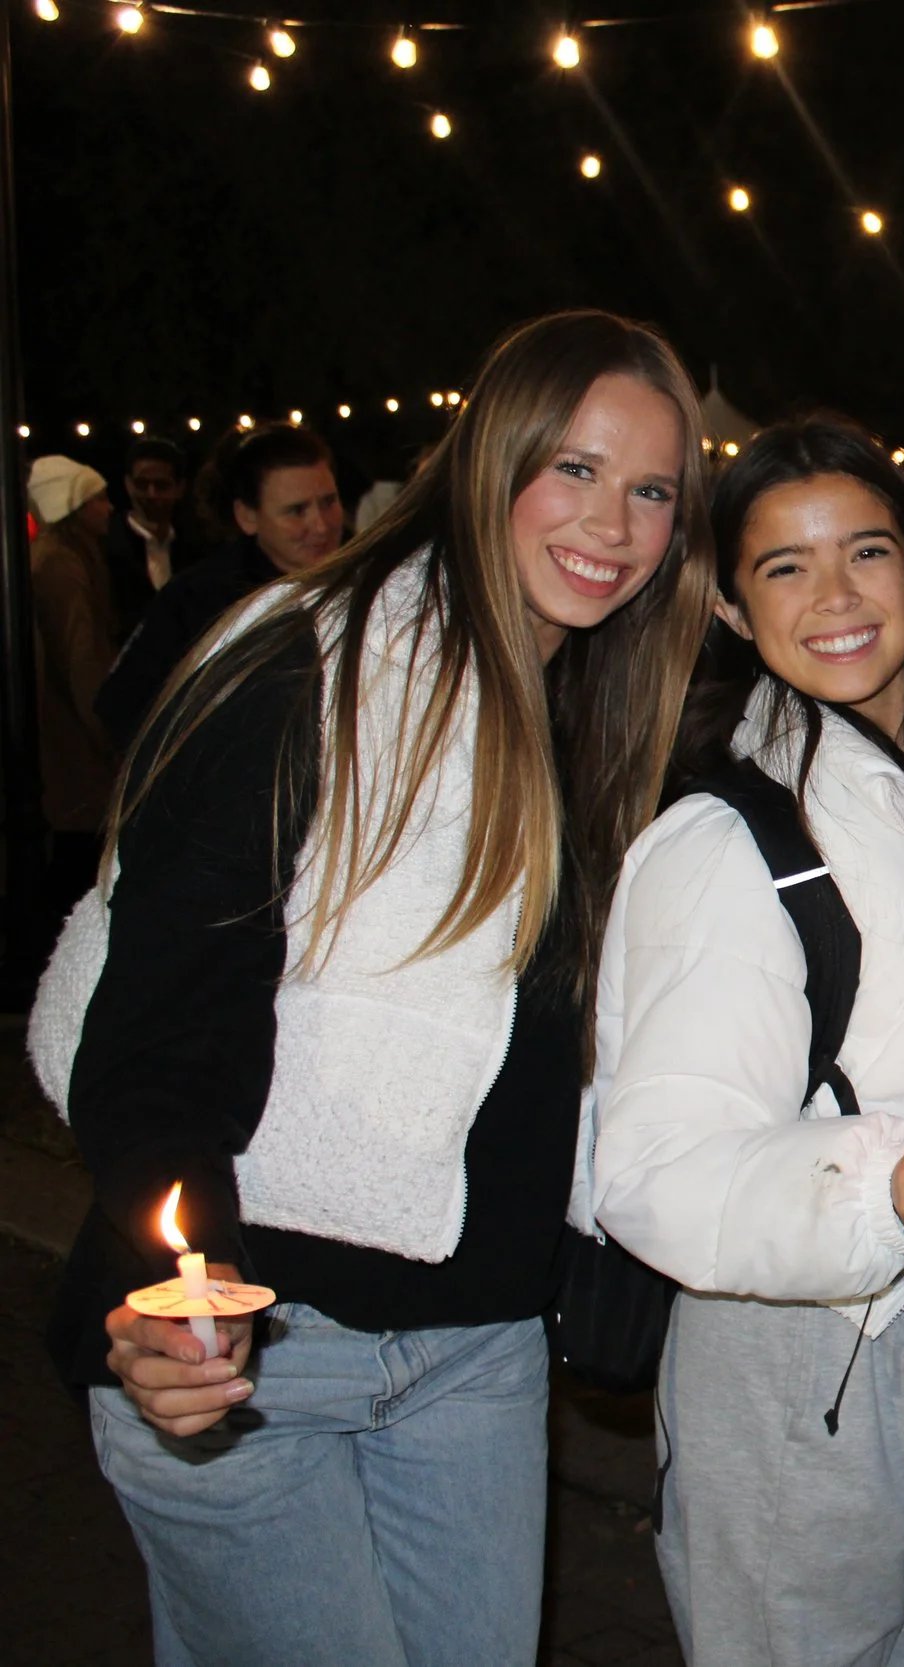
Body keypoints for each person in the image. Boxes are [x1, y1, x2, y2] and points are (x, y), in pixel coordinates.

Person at [29, 311, 713, 1666]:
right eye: (575, 469)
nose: (613, 524)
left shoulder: (598, 696)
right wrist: (179, 1290)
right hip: (265, 1344)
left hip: (477, 1350)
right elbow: (163, 1014)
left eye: (652, 490)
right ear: (491, 457)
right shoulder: (303, 667)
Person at [589, 415, 904, 1665]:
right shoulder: (720, 841)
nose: (837, 597)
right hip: (805, 1331)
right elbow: (654, 1163)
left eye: (866, 551)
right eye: (785, 566)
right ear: (732, 608)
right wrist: (875, 1191)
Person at [94, 423, 344, 748]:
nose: (321, 525)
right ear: (247, 516)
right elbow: (124, 707)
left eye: (328, 502)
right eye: (296, 511)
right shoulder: (198, 600)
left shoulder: (361, 580)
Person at [25, 455, 124, 921]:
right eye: (97, 499)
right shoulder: (61, 566)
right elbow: (81, 660)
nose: (108, 507)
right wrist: (109, 734)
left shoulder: (69, 558)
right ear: (74, 505)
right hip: (75, 747)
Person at [100, 436, 202, 640]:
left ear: (180, 488)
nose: (151, 494)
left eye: (161, 485)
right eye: (141, 484)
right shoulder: (106, 545)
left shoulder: (197, 546)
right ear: (128, 484)